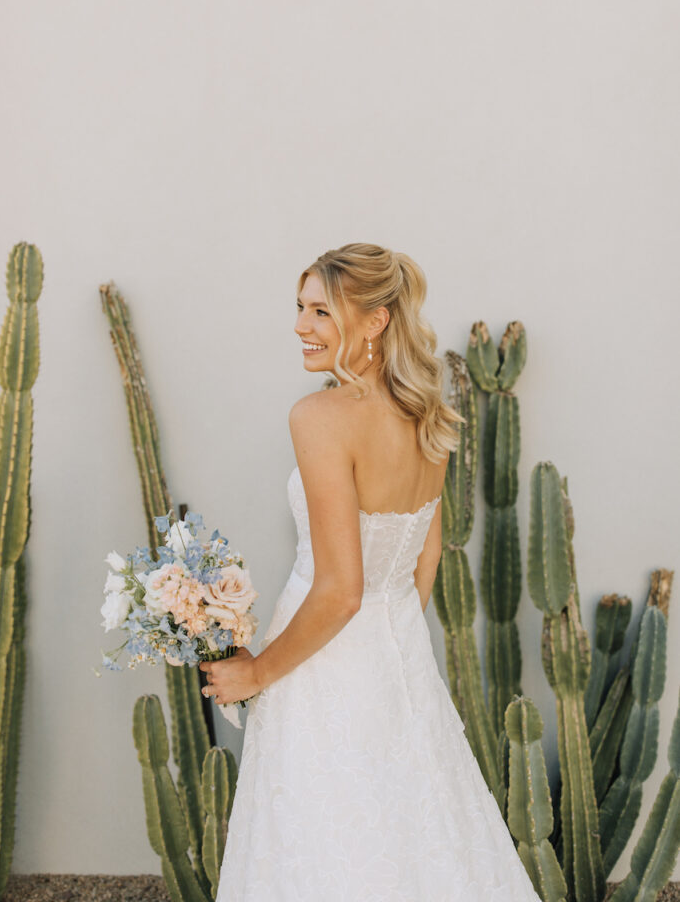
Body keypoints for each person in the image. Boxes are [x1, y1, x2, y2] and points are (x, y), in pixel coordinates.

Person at [200, 243, 542, 900]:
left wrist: (256, 672)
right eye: (300, 308)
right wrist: (389, 657)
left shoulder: (319, 418)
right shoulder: (426, 414)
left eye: (321, 311)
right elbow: (426, 558)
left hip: (317, 665)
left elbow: (340, 590)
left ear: (376, 320)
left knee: (324, 843)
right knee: (416, 832)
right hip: (397, 657)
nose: (301, 325)